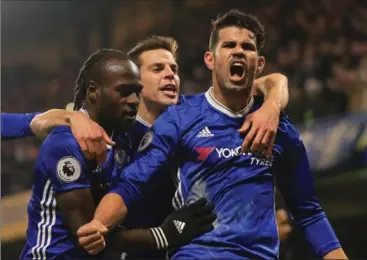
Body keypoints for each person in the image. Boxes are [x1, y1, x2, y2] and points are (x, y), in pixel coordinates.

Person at [78, 10, 348, 259]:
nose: (239, 51)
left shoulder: (279, 129)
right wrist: (99, 223)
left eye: (248, 47)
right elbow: (134, 182)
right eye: (229, 45)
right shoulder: (180, 117)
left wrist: (273, 104)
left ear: (260, 63)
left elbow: (309, 212)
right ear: (210, 59)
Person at [20, 49, 216, 260]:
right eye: (123, 92)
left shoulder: (125, 137)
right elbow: (90, 237)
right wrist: (164, 235)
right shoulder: (66, 143)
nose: (133, 100)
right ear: (93, 91)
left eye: (137, 92)